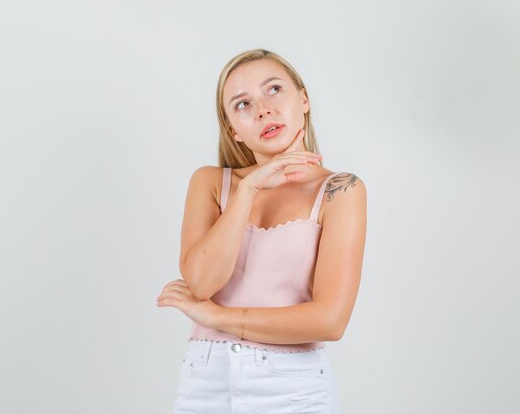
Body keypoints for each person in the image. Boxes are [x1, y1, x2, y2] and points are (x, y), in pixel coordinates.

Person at [156, 48, 367, 414]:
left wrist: (217, 317)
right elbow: (203, 283)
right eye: (242, 104)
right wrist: (249, 189)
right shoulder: (209, 183)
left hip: (294, 387)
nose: (263, 109)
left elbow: (330, 321)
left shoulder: (340, 190)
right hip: (205, 385)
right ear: (233, 131)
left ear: (303, 99)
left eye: (273, 90)